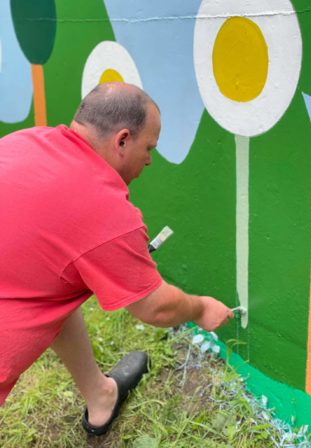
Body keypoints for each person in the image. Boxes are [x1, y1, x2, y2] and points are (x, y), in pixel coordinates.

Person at [0, 82, 234, 435]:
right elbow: (156, 308)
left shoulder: (24, 141)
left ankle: (101, 396)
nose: (150, 159)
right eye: (148, 147)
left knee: (59, 290)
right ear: (123, 140)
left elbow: (49, 274)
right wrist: (200, 308)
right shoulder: (104, 210)